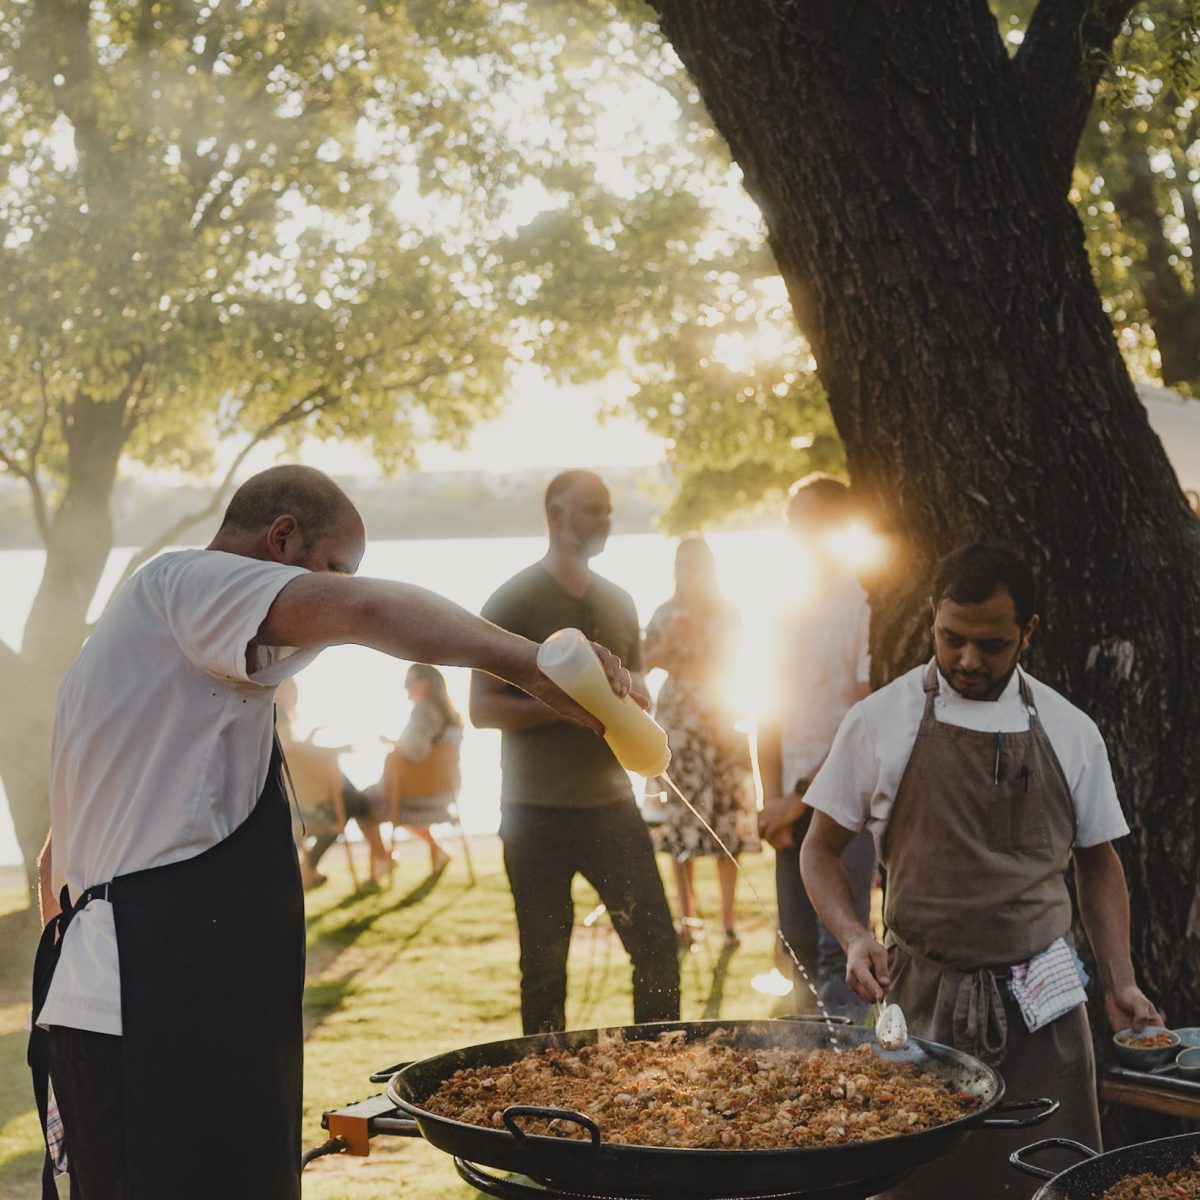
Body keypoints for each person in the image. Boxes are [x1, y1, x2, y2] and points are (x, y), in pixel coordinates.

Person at [30, 464, 639, 1200]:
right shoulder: (189, 582)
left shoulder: (146, 664)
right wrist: (531, 664)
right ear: (281, 538)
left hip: (126, 1012)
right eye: (331, 571)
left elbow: (50, 866)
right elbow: (370, 612)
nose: (336, 593)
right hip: (156, 1019)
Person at [800, 542, 1162, 1199]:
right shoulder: (879, 720)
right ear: (933, 617)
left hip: (1044, 1002)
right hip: (920, 1004)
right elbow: (819, 849)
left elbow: (1099, 862)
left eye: (991, 644)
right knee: (919, 1182)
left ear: (1028, 631)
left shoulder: (1070, 729)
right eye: (951, 638)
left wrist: (1121, 981)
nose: (967, 660)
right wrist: (854, 935)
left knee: (1054, 1181)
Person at [470, 469, 681, 1035]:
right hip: (534, 813)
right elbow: (481, 709)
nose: (605, 520)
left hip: (612, 805)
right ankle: (546, 1098)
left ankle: (659, 1074)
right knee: (543, 966)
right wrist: (564, 703)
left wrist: (632, 702)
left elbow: (637, 692)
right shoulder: (511, 599)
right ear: (556, 514)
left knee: (658, 947)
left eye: (609, 510)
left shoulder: (620, 600)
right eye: (592, 509)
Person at [755, 475, 875, 1018]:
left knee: (839, 955)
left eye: (800, 521)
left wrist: (799, 797)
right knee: (796, 952)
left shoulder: (862, 602)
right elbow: (766, 707)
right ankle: (801, 1076)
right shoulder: (780, 600)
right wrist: (772, 801)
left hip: (842, 806)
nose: (790, 532)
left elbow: (861, 716)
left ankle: (849, 1076)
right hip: (789, 803)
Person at [644, 536, 758, 949]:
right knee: (679, 823)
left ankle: (728, 920)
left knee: (725, 821)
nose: (687, 571)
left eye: (694, 563)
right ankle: (687, 917)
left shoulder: (728, 612)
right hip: (678, 728)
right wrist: (669, 642)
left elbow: (739, 659)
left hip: (721, 722)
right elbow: (640, 662)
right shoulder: (664, 613)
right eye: (681, 563)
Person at [275, 675, 390, 887]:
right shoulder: (279, 717)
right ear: (280, 691)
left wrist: (311, 738)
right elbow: (289, 748)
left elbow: (294, 750)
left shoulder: (281, 719)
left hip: (307, 794)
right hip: (310, 796)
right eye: (293, 690)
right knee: (356, 806)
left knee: (353, 806)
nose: (297, 695)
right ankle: (382, 858)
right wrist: (334, 751)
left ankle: (310, 868)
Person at [379, 663, 465, 874]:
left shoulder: (424, 710)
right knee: (381, 802)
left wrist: (392, 744)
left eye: (408, 682)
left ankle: (383, 860)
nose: (405, 687)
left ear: (424, 684)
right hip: (446, 794)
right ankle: (437, 850)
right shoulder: (452, 718)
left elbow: (415, 751)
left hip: (413, 797)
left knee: (364, 805)